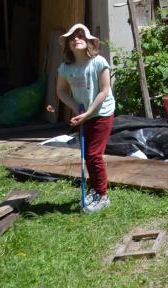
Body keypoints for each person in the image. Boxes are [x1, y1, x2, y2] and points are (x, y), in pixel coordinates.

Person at [54, 23, 115, 213]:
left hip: (101, 112)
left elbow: (105, 91)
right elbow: (61, 91)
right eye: (72, 38)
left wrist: (87, 113)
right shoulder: (66, 68)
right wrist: (76, 109)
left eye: (80, 36)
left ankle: (103, 195)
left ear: (88, 41)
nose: (76, 39)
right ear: (68, 45)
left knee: (93, 155)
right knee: (88, 155)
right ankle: (95, 188)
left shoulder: (98, 62)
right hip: (84, 114)